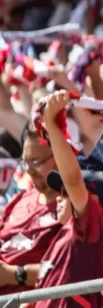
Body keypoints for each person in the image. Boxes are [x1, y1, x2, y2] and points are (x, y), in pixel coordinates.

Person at [34, 90, 103, 308]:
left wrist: (52, 124)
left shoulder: (92, 228)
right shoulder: (68, 235)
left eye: (65, 192)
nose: (59, 198)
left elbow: (73, 180)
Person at [0, 125, 61, 295]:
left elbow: (69, 270)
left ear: (60, 156)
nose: (29, 170)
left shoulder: (72, 207)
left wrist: (15, 275)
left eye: (37, 162)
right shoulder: (20, 199)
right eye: (25, 161)